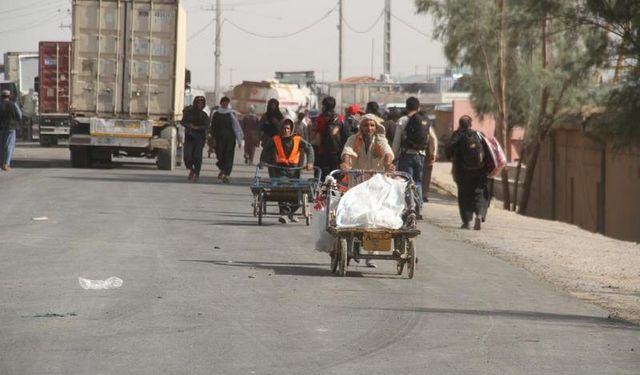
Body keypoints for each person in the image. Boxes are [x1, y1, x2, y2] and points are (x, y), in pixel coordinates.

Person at [340, 113, 395, 267]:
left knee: (374, 218)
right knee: (355, 217)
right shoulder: (353, 139)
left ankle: (371, 255)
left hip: (376, 184)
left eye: (372, 125)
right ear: (361, 127)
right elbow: (347, 153)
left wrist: (388, 164)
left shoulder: (380, 140)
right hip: (357, 184)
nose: (369, 128)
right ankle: (353, 247)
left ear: (376, 127)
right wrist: (346, 164)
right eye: (365, 125)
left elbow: (388, 154)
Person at [260, 118, 314, 224]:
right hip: (279, 171)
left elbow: (309, 148)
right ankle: (284, 213)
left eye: (288, 128)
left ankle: (290, 212)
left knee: (300, 192)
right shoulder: (275, 139)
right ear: (281, 129)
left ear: (291, 129)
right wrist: (263, 161)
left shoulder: (297, 139)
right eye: (284, 128)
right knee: (283, 188)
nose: (286, 130)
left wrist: (310, 162)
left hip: (294, 171)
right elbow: (266, 149)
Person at [391, 96, 436, 220]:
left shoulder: (403, 120)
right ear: (418, 107)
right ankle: (419, 207)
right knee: (418, 181)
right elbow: (432, 138)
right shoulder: (424, 120)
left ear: (406, 107)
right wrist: (432, 154)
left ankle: (410, 206)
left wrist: (393, 157)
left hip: (406, 155)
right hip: (420, 155)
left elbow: (397, 140)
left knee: (406, 181)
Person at [445, 115, 488, 230]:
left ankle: (467, 222)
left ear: (460, 124)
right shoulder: (479, 135)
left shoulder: (457, 135)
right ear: (471, 124)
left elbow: (449, 149)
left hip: (462, 171)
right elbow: (488, 150)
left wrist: (450, 157)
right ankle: (479, 214)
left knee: (464, 196)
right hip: (479, 171)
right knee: (479, 194)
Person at [210, 97, 244, 183]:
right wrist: (213, 138)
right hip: (219, 138)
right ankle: (222, 170)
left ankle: (225, 173)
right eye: (223, 103)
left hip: (230, 139)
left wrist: (239, 140)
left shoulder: (231, 113)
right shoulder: (216, 114)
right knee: (220, 155)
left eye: (226, 103)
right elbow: (213, 127)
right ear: (221, 103)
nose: (225, 104)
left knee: (228, 156)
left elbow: (236, 127)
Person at [313, 96, 345, 179]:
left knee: (323, 177)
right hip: (337, 153)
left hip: (323, 152)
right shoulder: (340, 118)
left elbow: (317, 138)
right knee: (336, 177)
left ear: (324, 106)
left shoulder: (320, 119)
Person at [180, 96, 209, 182]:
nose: (200, 105)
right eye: (198, 103)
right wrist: (189, 125)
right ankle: (191, 169)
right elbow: (182, 122)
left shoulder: (204, 115)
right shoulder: (189, 113)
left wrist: (198, 128)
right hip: (189, 137)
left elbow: (207, 125)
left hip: (199, 138)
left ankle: (197, 173)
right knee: (187, 156)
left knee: (197, 157)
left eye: (201, 103)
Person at [0, 90, 22, 171]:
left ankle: (1, 162)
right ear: (9, 96)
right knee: (9, 146)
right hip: (11, 128)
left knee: (1, 145)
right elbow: (19, 115)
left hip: (1, 128)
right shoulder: (13, 104)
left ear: (1, 96)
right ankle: (6, 163)